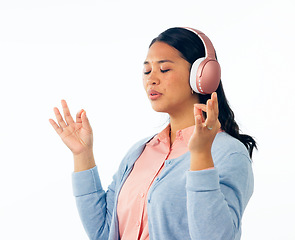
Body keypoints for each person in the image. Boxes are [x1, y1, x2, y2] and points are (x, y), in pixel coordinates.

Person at [49, 27, 257, 240]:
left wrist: (201, 155)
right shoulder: (140, 152)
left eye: (164, 69)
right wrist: (82, 155)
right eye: (147, 71)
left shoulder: (229, 152)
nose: (152, 80)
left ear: (202, 75)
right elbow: (103, 233)